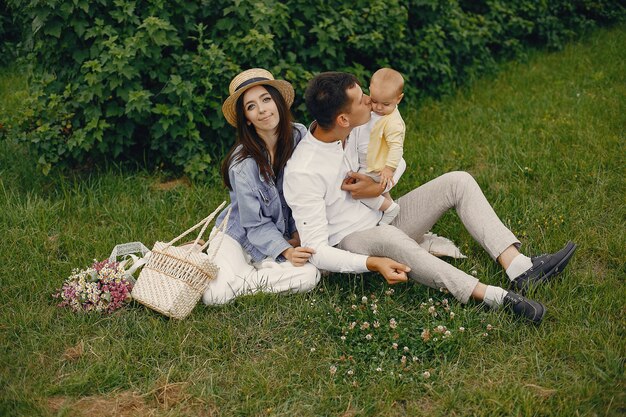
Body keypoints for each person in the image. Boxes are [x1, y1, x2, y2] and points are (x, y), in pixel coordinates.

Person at [283, 71, 576, 324]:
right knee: (391, 240)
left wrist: (378, 186)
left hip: (385, 215)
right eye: (362, 100)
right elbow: (317, 249)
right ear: (343, 118)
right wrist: (372, 263)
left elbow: (399, 161)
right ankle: (493, 296)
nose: (370, 103)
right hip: (352, 240)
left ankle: (520, 268)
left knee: (458, 181)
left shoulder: (359, 128)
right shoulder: (304, 171)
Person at [202, 68, 320, 305]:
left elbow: (310, 191)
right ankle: (251, 275)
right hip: (238, 236)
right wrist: (286, 250)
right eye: (251, 106)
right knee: (214, 296)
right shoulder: (242, 164)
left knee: (309, 275)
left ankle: (246, 278)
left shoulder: (300, 136)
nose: (263, 109)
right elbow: (254, 225)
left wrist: (297, 234)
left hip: (281, 239)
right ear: (247, 117)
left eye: (266, 99)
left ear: (277, 101)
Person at [356, 68, 406, 225]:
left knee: (358, 190)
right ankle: (388, 207)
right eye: (374, 101)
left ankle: (389, 209)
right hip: (370, 160)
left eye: (385, 104)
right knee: (381, 193)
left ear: (398, 99)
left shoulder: (393, 122)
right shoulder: (377, 110)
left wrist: (389, 168)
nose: (377, 107)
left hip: (378, 166)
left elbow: (396, 147)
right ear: (370, 91)